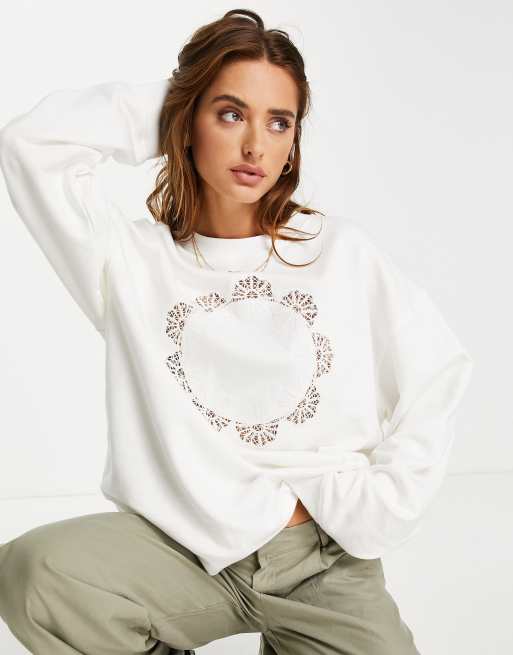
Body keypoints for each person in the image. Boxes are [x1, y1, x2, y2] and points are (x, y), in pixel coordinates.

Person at [0, 8, 473, 655]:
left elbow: (437, 371)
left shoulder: (338, 253)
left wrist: (383, 501)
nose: (255, 145)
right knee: (36, 574)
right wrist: (178, 103)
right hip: (185, 551)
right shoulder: (131, 262)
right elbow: (32, 145)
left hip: (321, 559)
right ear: (187, 121)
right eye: (230, 114)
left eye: (279, 122)